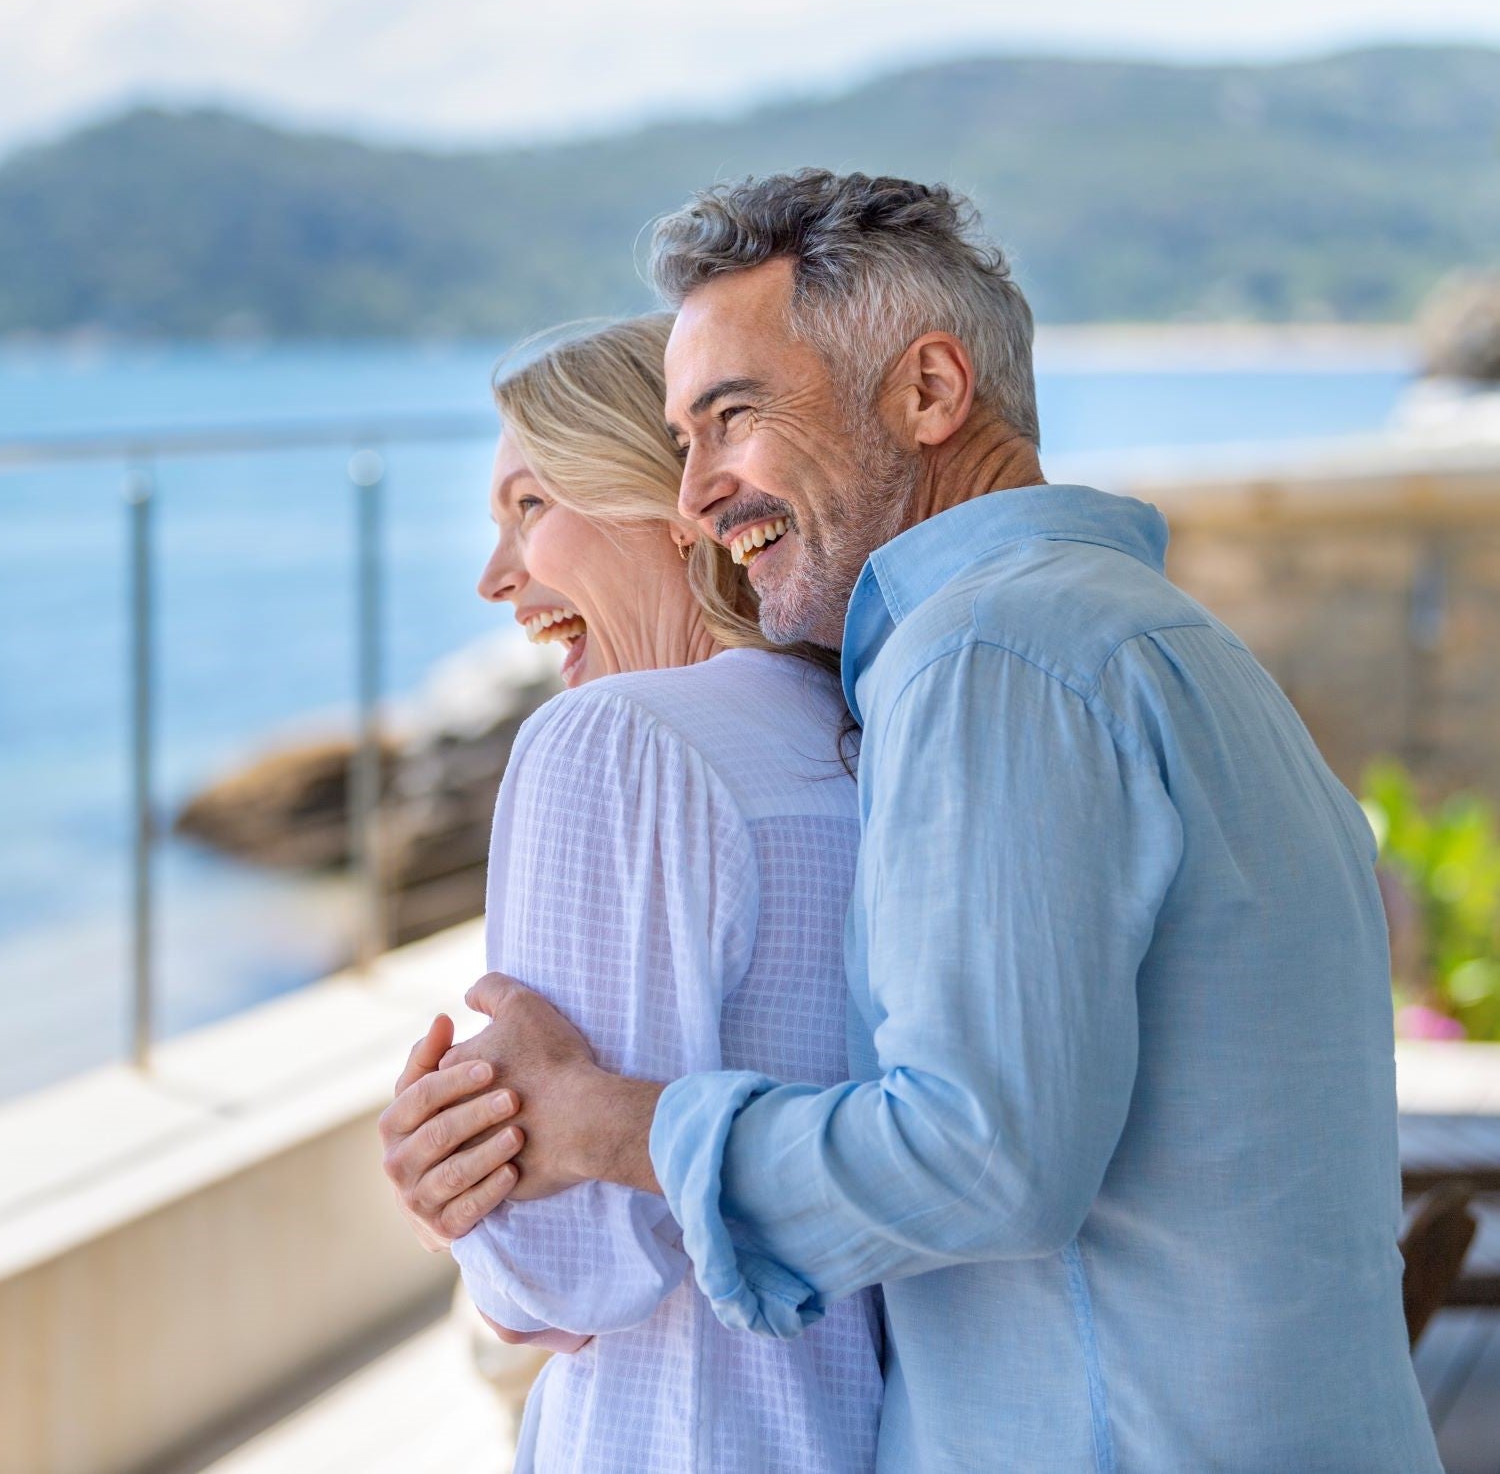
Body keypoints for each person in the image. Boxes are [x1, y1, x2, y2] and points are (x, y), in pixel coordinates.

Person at [414, 173, 1443, 1472]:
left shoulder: (991, 659)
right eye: (681, 443)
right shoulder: (1166, 644)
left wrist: (598, 1124)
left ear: (929, 393)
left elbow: (982, 1155)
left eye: (732, 421)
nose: (697, 505)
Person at [377, 313, 881, 1472]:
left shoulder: (609, 739)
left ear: (677, 501)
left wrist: (459, 1197)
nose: (496, 578)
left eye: (530, 508)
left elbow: (569, 1274)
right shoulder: (865, 732)